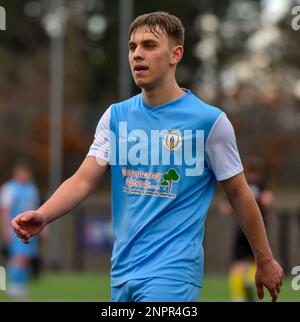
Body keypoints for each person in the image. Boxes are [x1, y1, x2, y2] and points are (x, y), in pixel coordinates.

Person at [11, 12, 283, 302]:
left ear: (175, 54)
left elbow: (240, 194)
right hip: (122, 271)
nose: (137, 54)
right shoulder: (115, 117)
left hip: (173, 272)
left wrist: (264, 260)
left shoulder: (210, 122)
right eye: (132, 47)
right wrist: (44, 214)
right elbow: (82, 180)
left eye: (149, 46)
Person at [218, 156, 274, 301]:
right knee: (256, 260)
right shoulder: (261, 184)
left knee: (238, 263)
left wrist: (233, 208)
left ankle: (238, 296)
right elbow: (268, 200)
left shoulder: (241, 183)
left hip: (241, 228)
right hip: (258, 228)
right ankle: (250, 280)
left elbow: (224, 207)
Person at [0, 162, 40, 298]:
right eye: (21, 172)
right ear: (16, 173)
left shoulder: (32, 189)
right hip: (15, 228)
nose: (24, 175)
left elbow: (36, 208)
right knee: (19, 257)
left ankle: (21, 284)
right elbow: (5, 210)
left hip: (30, 229)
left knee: (27, 257)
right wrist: (5, 229)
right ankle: (13, 285)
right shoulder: (9, 188)